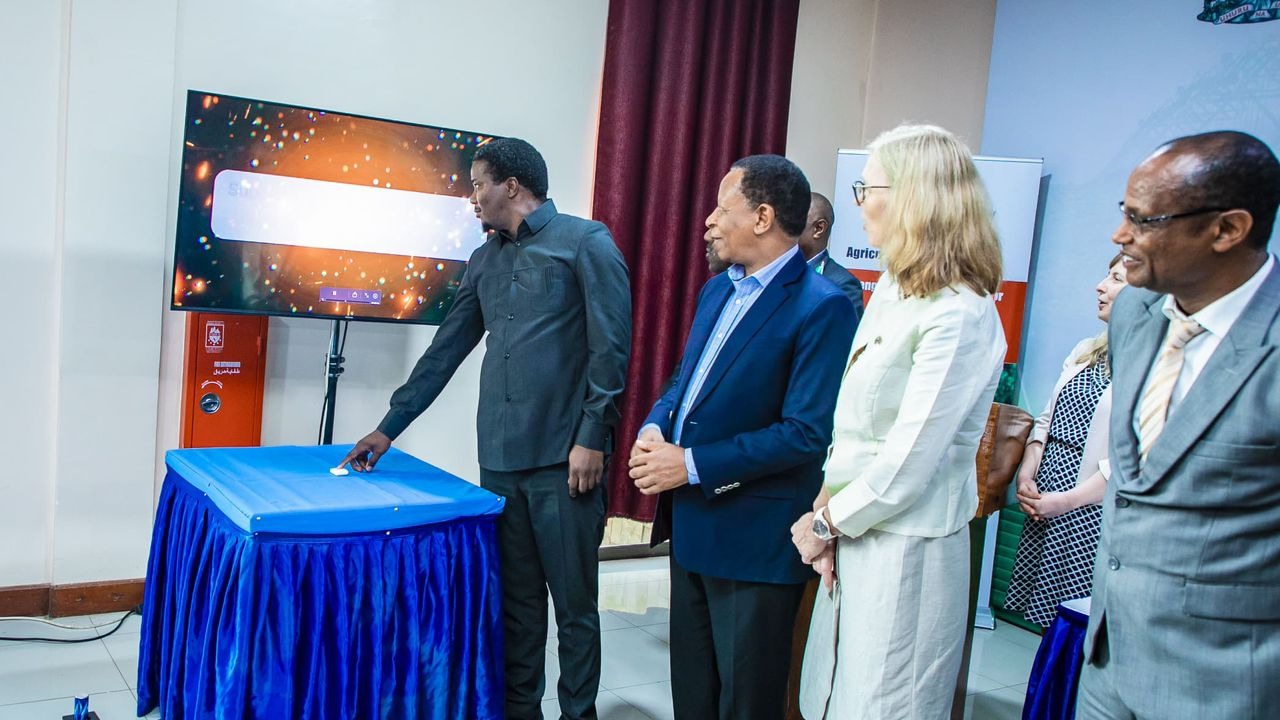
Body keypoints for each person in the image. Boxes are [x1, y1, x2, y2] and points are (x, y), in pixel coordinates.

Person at [340, 137, 632, 720]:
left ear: (511, 186)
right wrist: (388, 427)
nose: (471, 197)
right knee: (517, 606)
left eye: (477, 184)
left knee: (574, 610)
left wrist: (591, 436)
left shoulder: (586, 242)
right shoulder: (483, 261)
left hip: (565, 462)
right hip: (499, 461)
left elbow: (612, 349)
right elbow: (445, 351)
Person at [790, 124, 1007, 720]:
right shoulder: (895, 286)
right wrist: (826, 508)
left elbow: (908, 461)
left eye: (868, 188)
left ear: (914, 197)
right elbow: (854, 426)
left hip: (907, 548)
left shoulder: (960, 312)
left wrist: (825, 524)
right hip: (854, 528)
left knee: (884, 703)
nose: (860, 202)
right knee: (831, 698)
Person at [628, 154, 856, 720]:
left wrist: (690, 463)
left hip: (755, 541)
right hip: (693, 528)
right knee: (693, 697)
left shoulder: (823, 307)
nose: (708, 220)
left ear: (762, 217)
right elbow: (685, 381)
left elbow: (805, 433)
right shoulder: (716, 292)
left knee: (746, 703)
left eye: (721, 207)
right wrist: (656, 424)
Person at [1077, 131, 1280, 719]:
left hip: (1222, 683)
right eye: (1124, 212)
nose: (1120, 236)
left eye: (1144, 220)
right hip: (1108, 663)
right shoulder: (1135, 312)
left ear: (1227, 229)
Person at [1004, 254, 1128, 628]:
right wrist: (1027, 474)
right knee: (1046, 619)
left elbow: (1128, 459)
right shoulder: (1086, 350)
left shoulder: (1152, 364)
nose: (1100, 286)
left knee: (1077, 624)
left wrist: (1065, 502)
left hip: (1090, 508)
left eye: (1116, 279)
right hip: (1047, 495)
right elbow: (1046, 420)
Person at [799, 191, 866, 320]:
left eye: (794, 220)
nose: (785, 227)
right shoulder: (777, 272)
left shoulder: (843, 285)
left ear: (819, 228)